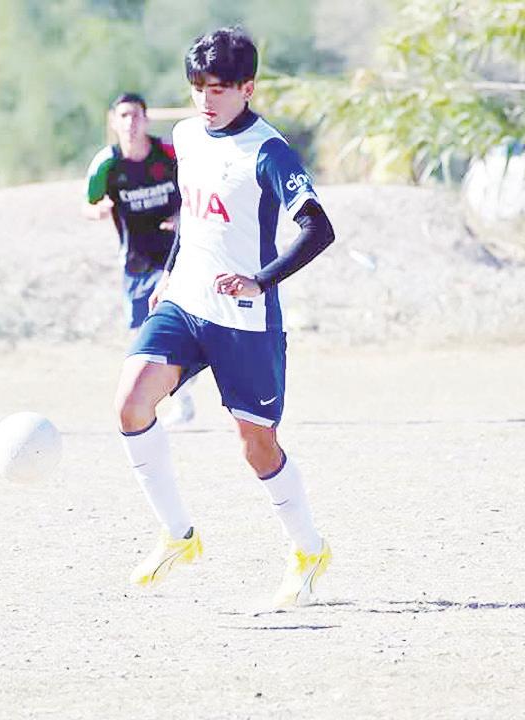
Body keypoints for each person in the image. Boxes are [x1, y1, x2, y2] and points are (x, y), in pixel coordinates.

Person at [113, 27, 336, 607]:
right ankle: (178, 535)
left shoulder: (269, 151)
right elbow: (193, 219)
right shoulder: (186, 136)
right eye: (197, 88)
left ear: (247, 88)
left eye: (218, 89)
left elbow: (319, 228)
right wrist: (168, 276)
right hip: (186, 302)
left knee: (257, 447)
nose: (205, 100)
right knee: (131, 403)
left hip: (244, 320)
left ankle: (309, 549)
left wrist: (261, 280)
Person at [84, 93, 195, 427]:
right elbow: (88, 203)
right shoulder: (107, 164)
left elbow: (197, 190)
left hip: (176, 256)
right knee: (142, 335)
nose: (130, 123)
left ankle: (182, 395)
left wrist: (182, 216)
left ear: (146, 120)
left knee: (171, 324)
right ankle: (182, 394)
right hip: (136, 260)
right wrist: (98, 210)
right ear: (114, 122)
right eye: (124, 116)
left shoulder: (168, 154)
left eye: (136, 116)